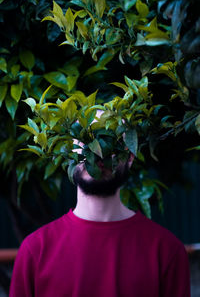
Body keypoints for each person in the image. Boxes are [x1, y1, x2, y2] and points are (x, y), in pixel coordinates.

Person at [9, 115, 191, 297]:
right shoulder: (35, 251)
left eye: (111, 140)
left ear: (130, 156)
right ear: (70, 154)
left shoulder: (167, 251)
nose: (98, 152)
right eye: (86, 139)